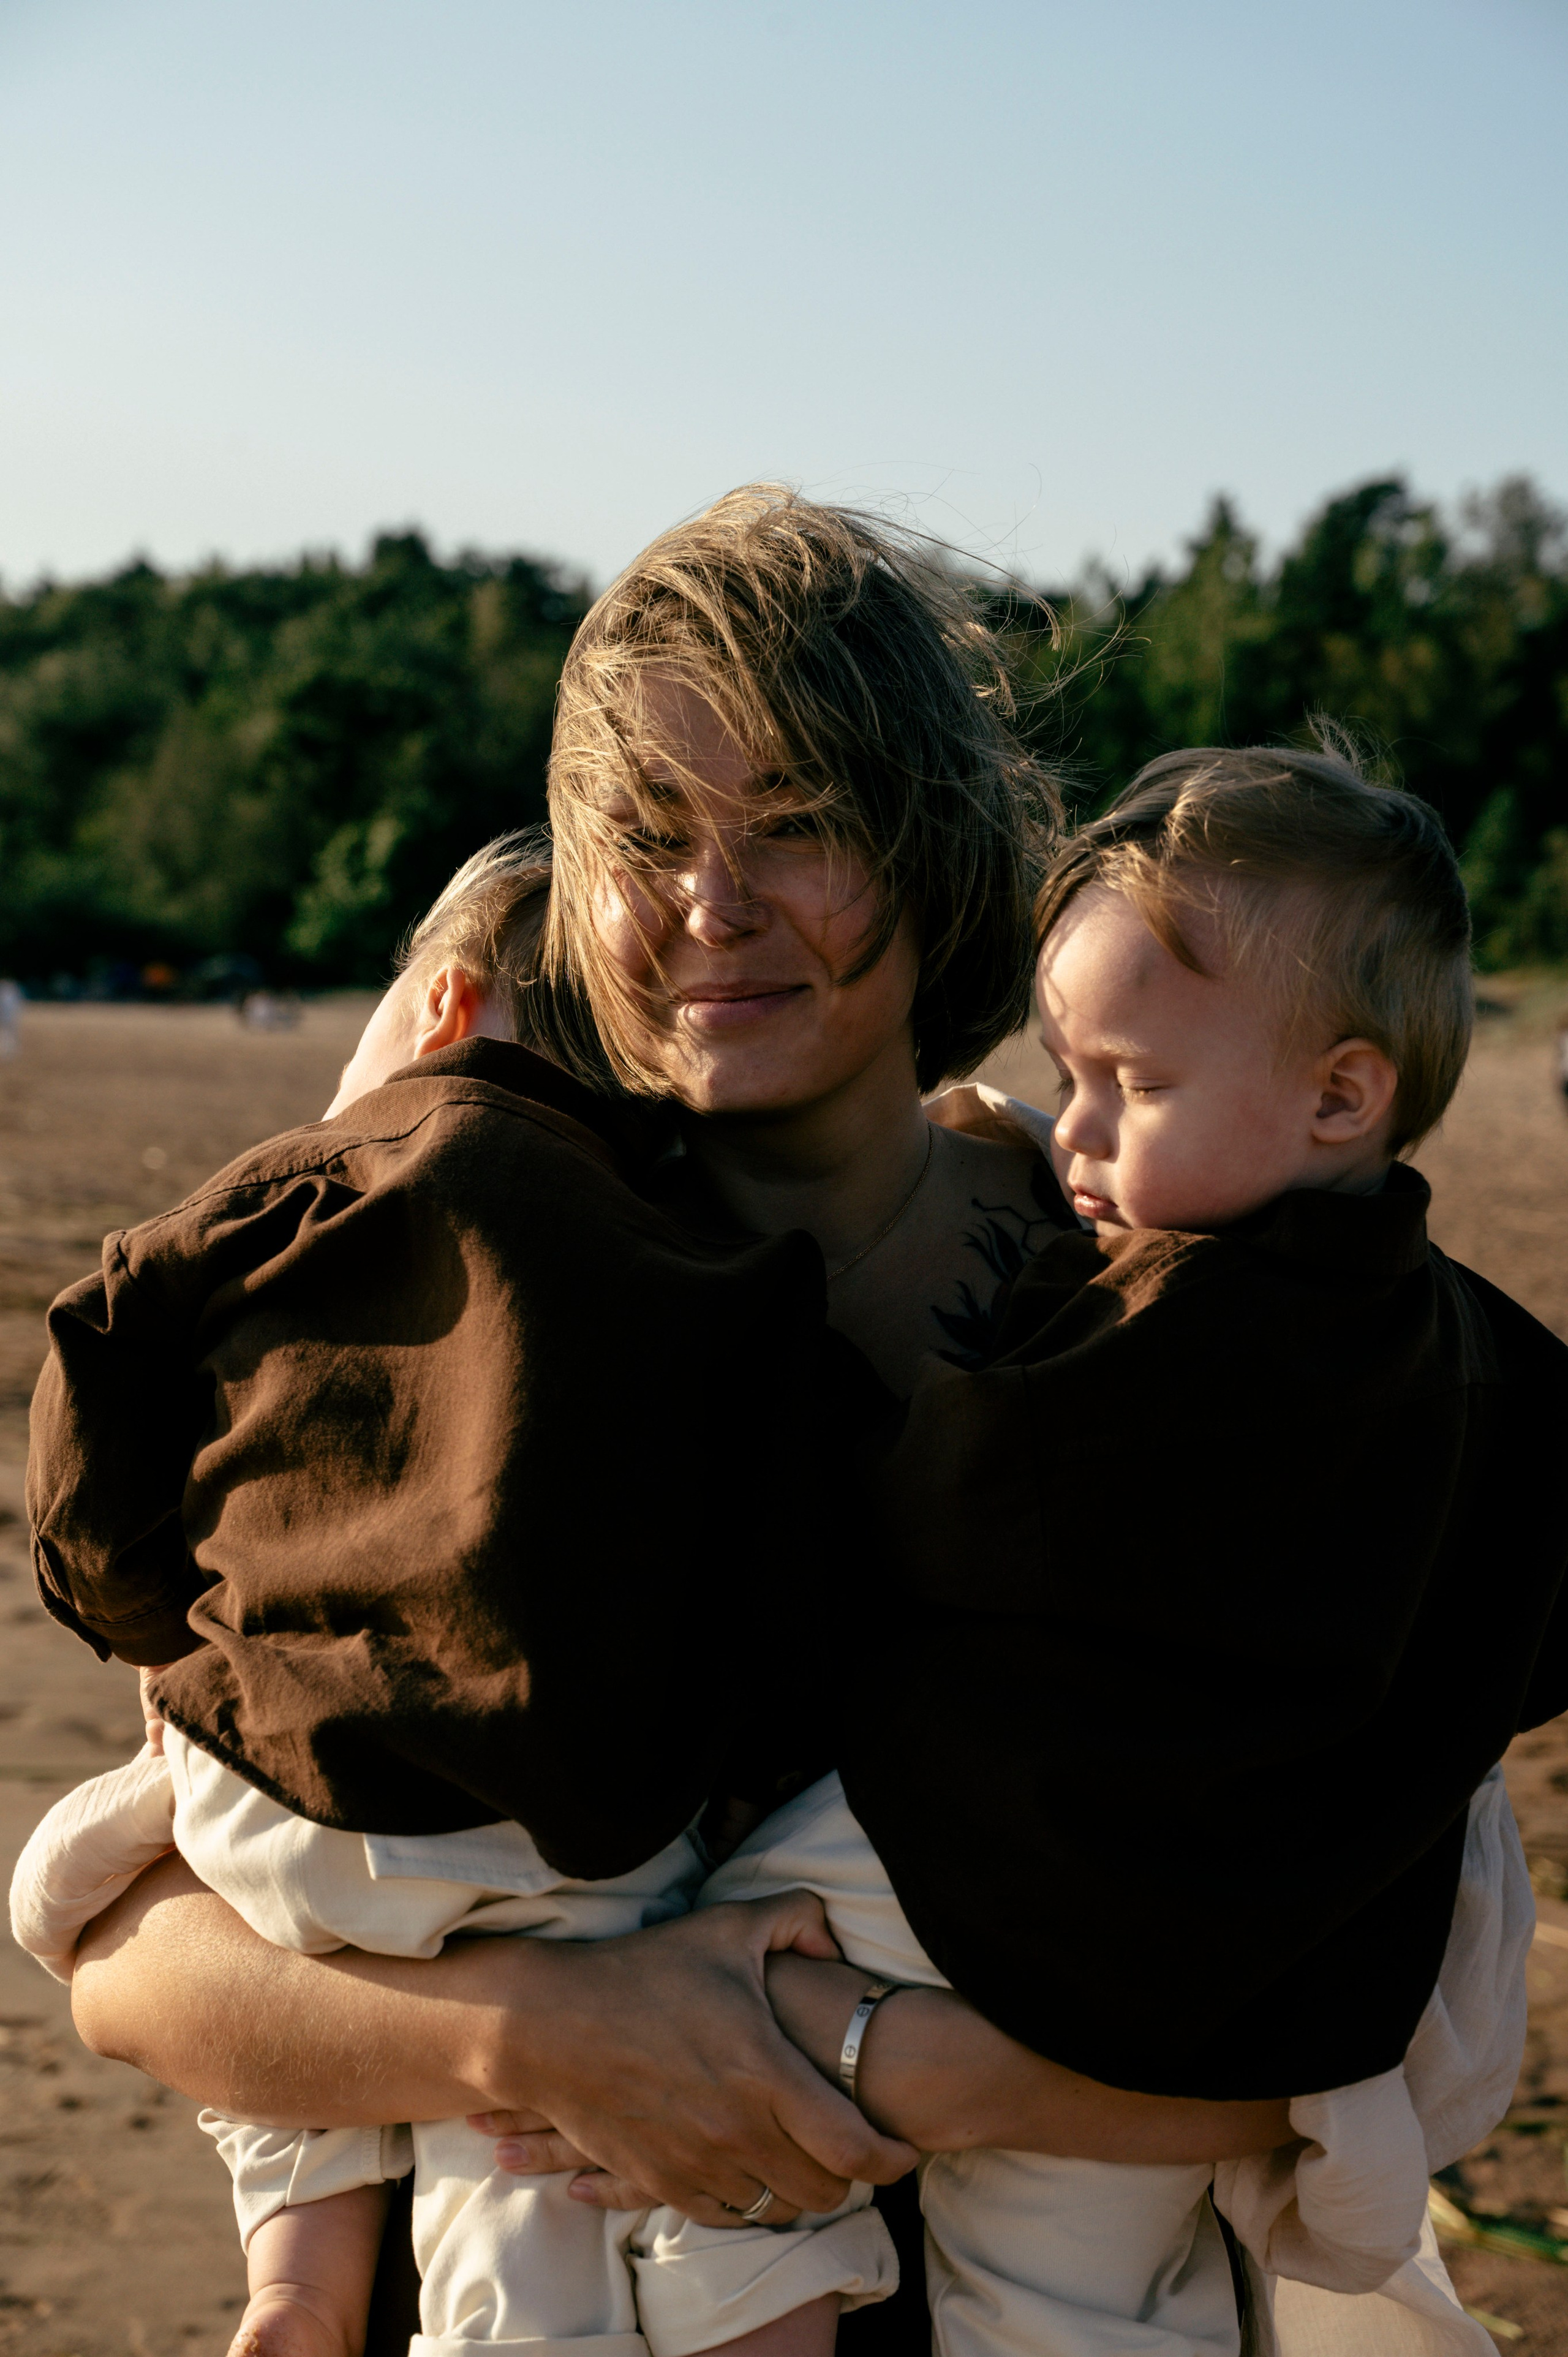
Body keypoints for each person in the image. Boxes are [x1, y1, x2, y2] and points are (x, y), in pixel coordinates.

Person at [50, 494, 1529, 2357]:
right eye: (649, 840)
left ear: (930, 844)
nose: (711, 909)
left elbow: (1419, 2012)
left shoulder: (1182, 1316)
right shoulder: (439, 1314)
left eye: (801, 827)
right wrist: (548, 2034)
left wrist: (904, 2065)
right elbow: (141, 1942)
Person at [18, 837, 902, 2357]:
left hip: (284, 1806)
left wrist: (165, 1631)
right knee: (593, 2123)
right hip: (576, 1830)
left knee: (300, 1958)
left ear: (435, 1003)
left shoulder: (300, 1178)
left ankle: (298, 2279)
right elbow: (795, 1547)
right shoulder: (715, 1265)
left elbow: (97, 1377)